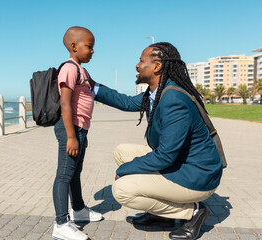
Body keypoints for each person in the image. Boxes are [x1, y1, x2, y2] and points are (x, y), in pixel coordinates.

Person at [90, 42, 223, 240]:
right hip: (182, 164)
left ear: (157, 66)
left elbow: (165, 156)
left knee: (122, 190)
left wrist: (124, 170)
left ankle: (193, 212)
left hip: (198, 175)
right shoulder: (157, 93)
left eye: (141, 61)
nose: (137, 65)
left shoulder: (173, 100)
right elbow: (126, 102)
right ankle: (162, 214)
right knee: (122, 151)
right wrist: (91, 85)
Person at [52, 26, 103, 240]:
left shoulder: (82, 70)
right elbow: (65, 103)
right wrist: (72, 136)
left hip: (80, 129)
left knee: (75, 172)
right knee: (64, 175)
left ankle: (79, 210)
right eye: (89, 46)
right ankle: (61, 223)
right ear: (74, 46)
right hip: (69, 129)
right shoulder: (70, 68)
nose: (92, 51)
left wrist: (82, 134)